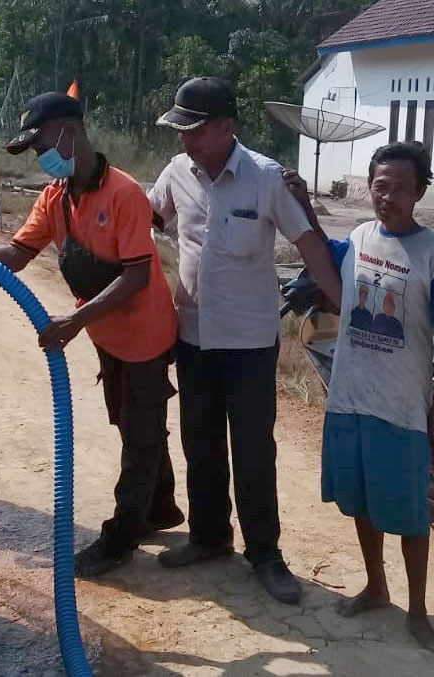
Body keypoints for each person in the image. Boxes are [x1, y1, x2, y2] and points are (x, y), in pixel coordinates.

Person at [148, 76, 342, 604]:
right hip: (193, 336)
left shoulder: (265, 178)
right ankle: (209, 536)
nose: (185, 139)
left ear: (226, 127)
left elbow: (309, 246)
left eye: (195, 129)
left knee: (253, 449)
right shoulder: (176, 173)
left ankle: (266, 554)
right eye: (180, 129)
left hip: (250, 341)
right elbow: (146, 220)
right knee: (200, 441)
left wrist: (343, 303)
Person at [0, 93, 183, 576]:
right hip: (108, 333)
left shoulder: (124, 194)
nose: (40, 156)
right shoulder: (56, 196)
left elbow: (137, 275)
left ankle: (121, 538)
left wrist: (74, 321)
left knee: (138, 436)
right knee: (132, 422)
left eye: (41, 145)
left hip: (145, 334)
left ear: (69, 133)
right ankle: (161, 508)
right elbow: (17, 253)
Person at [292, 141, 434, 653]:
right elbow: (324, 255)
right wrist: (302, 202)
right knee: (360, 500)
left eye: (400, 189)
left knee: (410, 512)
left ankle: (418, 611)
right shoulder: (361, 237)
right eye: (380, 186)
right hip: (350, 397)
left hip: (402, 406)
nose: (387, 197)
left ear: (419, 194)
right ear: (369, 187)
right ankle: (376, 585)